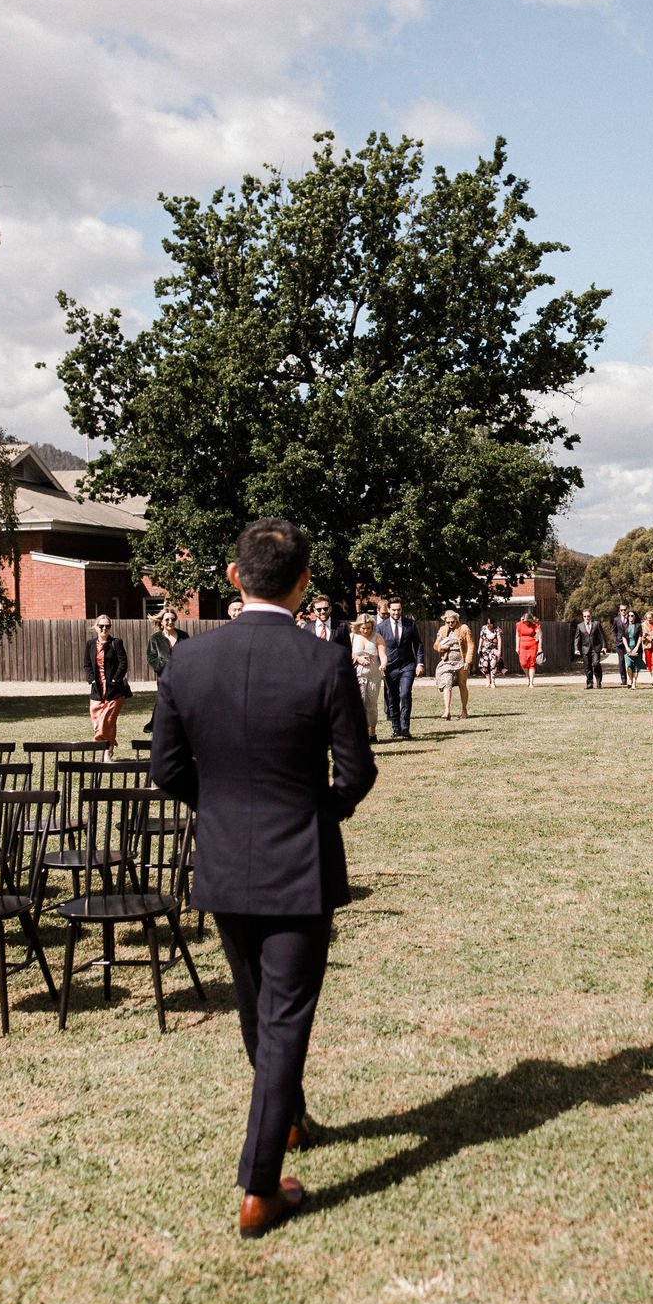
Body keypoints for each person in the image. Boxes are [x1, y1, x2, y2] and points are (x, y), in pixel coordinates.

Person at [150, 518, 376, 1240]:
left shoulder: (187, 661)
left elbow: (166, 770)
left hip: (223, 862)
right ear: (305, 581)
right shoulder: (323, 660)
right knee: (280, 1019)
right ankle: (257, 1186)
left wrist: (219, 811)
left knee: (258, 1010)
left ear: (232, 575)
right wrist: (320, 813)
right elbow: (358, 769)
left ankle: (290, 1117)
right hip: (299, 865)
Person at [84, 614, 131, 759]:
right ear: (96, 627)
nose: (104, 628)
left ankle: (104, 749)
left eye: (107, 626)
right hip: (97, 689)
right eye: (101, 626)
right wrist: (91, 680)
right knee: (98, 720)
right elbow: (87, 665)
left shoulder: (116, 643)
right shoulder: (90, 644)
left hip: (115, 691)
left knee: (107, 720)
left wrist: (116, 680)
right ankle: (108, 749)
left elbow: (123, 663)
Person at [378, 599, 424, 738]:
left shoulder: (410, 624)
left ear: (401, 609)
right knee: (392, 697)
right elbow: (377, 647)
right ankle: (395, 728)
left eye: (398, 609)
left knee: (404, 694)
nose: (396, 612)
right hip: (389, 667)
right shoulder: (381, 627)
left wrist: (420, 663)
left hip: (407, 666)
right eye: (393, 610)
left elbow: (418, 644)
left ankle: (405, 728)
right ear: (389, 610)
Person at [142, 607, 189, 731]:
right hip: (164, 676)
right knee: (165, 700)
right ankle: (158, 724)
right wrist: (166, 664)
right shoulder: (155, 639)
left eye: (173, 619)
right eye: (167, 619)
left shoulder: (184, 636)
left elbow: (189, 655)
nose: (170, 622)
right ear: (161, 622)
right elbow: (151, 658)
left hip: (181, 676)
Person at [349, 613, 387, 742]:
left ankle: (372, 732)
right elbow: (345, 653)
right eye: (363, 628)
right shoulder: (352, 637)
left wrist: (383, 664)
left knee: (371, 703)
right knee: (359, 702)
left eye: (368, 628)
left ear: (372, 627)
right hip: (356, 672)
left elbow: (383, 654)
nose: (365, 631)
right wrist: (357, 658)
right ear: (358, 626)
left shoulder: (377, 637)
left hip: (373, 672)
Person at [432, 610, 468, 720]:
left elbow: (471, 645)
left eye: (452, 622)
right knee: (447, 683)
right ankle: (447, 711)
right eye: (448, 622)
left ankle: (464, 709)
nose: (451, 624)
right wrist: (440, 648)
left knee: (462, 685)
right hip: (447, 661)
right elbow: (436, 645)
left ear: (456, 620)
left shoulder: (464, 629)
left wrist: (468, 661)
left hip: (461, 661)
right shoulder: (442, 630)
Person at [572, 608, 607, 689]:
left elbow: (602, 636)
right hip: (585, 649)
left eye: (588, 616)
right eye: (585, 616)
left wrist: (604, 647)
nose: (587, 618)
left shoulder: (596, 624)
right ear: (583, 617)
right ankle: (589, 683)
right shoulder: (579, 626)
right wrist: (576, 649)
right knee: (587, 666)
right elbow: (577, 638)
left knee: (596, 664)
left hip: (596, 648)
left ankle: (598, 682)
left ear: (591, 616)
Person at [515, 611, 543, 689]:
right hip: (522, 646)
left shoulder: (535, 625)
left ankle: (531, 683)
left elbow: (540, 636)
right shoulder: (519, 625)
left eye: (528, 621)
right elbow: (517, 636)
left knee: (532, 664)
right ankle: (529, 677)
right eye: (525, 621)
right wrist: (517, 647)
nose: (526, 623)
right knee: (523, 663)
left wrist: (540, 648)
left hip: (533, 646)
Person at [610, 604, 635, 687]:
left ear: (627, 610)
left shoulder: (630, 618)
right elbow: (614, 631)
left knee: (630, 661)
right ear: (619, 611)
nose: (623, 611)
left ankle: (631, 679)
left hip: (629, 642)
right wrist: (615, 640)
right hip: (619, 643)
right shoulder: (616, 619)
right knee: (621, 661)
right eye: (621, 610)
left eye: (624, 610)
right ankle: (623, 679)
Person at [476, 615, 503, 688]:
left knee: (493, 664)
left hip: (493, 650)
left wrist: (499, 651)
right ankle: (488, 680)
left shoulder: (497, 629)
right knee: (484, 665)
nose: (489, 625)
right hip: (485, 650)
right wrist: (479, 648)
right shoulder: (483, 629)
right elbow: (481, 638)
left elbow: (499, 640)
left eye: (490, 623)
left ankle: (493, 682)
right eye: (487, 623)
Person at [617, 614, 641, 690]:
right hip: (628, 648)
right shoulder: (625, 626)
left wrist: (637, 647)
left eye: (632, 615)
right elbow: (623, 637)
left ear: (635, 617)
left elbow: (640, 636)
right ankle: (630, 680)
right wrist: (627, 647)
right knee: (629, 666)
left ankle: (634, 683)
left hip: (637, 648)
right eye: (629, 616)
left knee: (636, 667)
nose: (630, 617)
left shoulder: (638, 626)